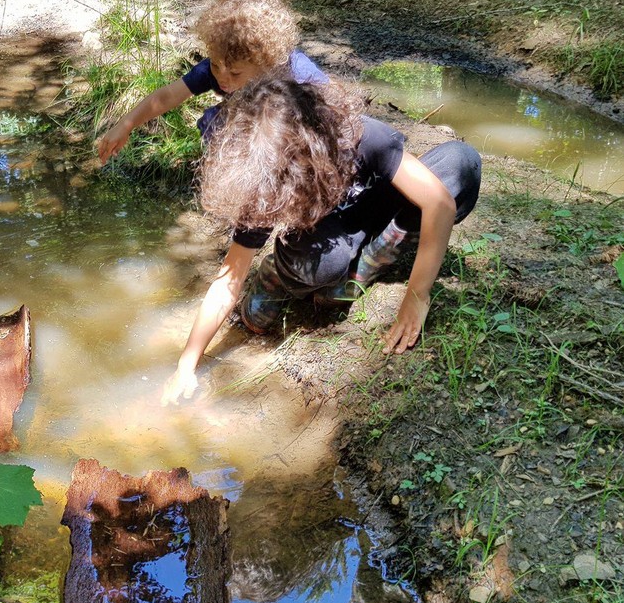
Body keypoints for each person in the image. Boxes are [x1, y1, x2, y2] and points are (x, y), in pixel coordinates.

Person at [161, 76, 482, 405]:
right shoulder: (264, 180)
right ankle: (278, 276)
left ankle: (367, 265)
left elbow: (439, 203)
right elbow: (230, 278)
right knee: (306, 276)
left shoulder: (363, 137)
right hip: (322, 240)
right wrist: (186, 365)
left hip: (386, 210)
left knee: (461, 162)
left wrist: (417, 295)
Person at [97, 0, 327, 163]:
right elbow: (167, 96)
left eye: (235, 73)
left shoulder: (300, 79)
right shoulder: (221, 66)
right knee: (213, 121)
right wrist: (125, 125)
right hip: (256, 126)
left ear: (266, 64)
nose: (222, 78)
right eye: (216, 66)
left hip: (298, 141)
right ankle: (231, 175)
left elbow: (333, 121)